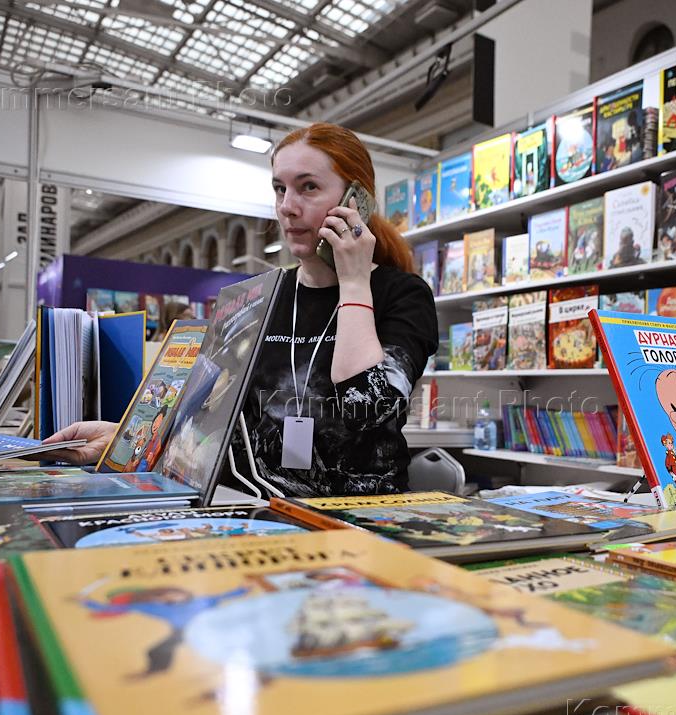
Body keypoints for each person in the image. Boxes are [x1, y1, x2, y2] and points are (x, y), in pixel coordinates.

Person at [43, 122, 439, 496]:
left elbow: (365, 409)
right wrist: (124, 439)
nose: (287, 206)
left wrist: (353, 283)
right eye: (280, 189)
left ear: (357, 200)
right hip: (258, 509)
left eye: (308, 187)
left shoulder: (402, 294)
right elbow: (207, 424)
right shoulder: (256, 297)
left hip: (361, 518)